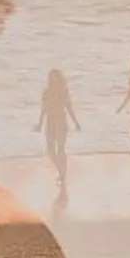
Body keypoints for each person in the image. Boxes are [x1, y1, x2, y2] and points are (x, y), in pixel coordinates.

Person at [35, 68, 79, 205]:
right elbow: (44, 109)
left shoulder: (63, 91)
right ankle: (61, 171)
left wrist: (76, 123)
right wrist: (39, 124)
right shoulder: (46, 92)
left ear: (59, 78)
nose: (53, 79)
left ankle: (62, 174)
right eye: (51, 77)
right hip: (50, 122)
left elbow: (69, 107)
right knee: (50, 151)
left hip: (61, 121)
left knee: (61, 149)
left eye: (56, 77)